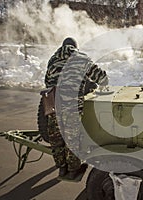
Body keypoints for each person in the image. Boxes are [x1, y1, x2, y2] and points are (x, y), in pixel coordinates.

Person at [44, 37, 108, 180]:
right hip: (72, 105)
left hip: (55, 105)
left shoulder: (53, 59)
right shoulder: (81, 59)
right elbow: (102, 77)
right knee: (72, 138)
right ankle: (73, 170)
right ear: (76, 47)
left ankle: (62, 169)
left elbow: (47, 82)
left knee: (56, 138)